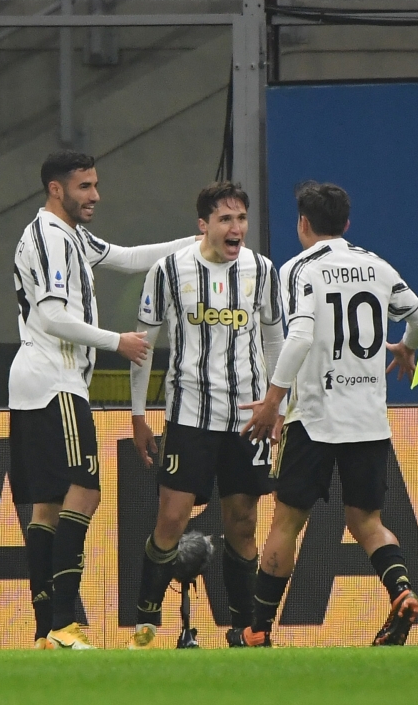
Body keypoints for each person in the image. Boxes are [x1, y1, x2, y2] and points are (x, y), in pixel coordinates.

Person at [9, 150, 196, 649]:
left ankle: (47, 629)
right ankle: (65, 623)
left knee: (46, 507)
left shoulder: (71, 235)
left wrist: (197, 242)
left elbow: (129, 257)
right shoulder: (50, 236)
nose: (95, 195)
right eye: (85, 186)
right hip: (54, 381)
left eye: (95, 185)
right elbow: (49, 315)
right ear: (56, 189)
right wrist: (117, 341)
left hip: (40, 382)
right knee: (83, 491)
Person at [234, 181, 418, 647]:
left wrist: (273, 400)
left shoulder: (299, 269)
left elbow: (299, 337)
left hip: (316, 419)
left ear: (303, 224)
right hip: (367, 419)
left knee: (287, 522)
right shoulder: (376, 266)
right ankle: (401, 590)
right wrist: (406, 349)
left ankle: (258, 630)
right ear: (346, 223)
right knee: (366, 522)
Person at [126, 181, 285, 650]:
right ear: (204, 224)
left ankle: (244, 630)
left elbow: (275, 339)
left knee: (243, 521)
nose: (236, 229)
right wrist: (138, 415)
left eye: (241, 219)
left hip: (248, 419)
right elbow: (145, 344)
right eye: (225, 220)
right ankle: (146, 620)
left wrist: (277, 405)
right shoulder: (169, 271)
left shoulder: (263, 271)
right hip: (189, 416)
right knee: (172, 519)